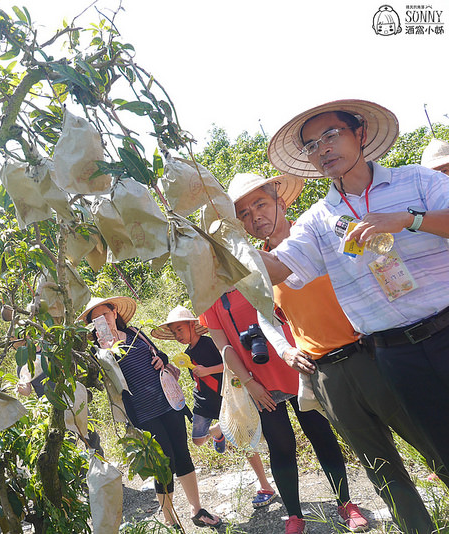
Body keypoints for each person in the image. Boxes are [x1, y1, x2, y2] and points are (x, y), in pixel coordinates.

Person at [230, 171, 438, 533]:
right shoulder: (259, 266)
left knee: (433, 441)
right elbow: (264, 316)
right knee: (379, 466)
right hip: (326, 374)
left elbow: (371, 263)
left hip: (373, 353)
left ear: (281, 201)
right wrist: (284, 349)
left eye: (260, 204)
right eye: (245, 214)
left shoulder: (320, 233)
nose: (255, 217)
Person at [262, 99, 449, 502]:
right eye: (312, 145)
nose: (323, 149)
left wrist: (410, 219)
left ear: (360, 134)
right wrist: (220, 246)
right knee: (443, 448)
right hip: (396, 355)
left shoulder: (417, 181)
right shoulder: (317, 221)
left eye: (331, 135)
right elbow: (278, 269)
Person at [203, 286, 365, 534]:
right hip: (261, 384)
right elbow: (224, 348)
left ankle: (346, 504)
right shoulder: (209, 299)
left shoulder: (259, 274)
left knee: (322, 435)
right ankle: (294, 516)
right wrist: (249, 383)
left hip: (298, 368)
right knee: (281, 447)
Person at [79, 296, 222, 529]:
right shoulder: (98, 351)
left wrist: (160, 360)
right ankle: (169, 518)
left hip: (167, 402)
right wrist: (104, 353)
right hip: (142, 414)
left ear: (114, 312)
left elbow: (159, 355)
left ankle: (197, 510)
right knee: (163, 463)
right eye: (95, 319)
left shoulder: (135, 333)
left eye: (104, 314)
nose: (102, 320)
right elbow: (104, 381)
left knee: (182, 454)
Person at [151, 305, 278, 509]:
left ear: (192, 325)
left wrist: (207, 370)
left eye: (180, 329)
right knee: (198, 440)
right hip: (203, 401)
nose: (177, 335)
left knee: (244, 442)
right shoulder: (187, 353)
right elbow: (198, 377)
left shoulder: (209, 344)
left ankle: (265, 486)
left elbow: (230, 364)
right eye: (174, 333)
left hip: (225, 397)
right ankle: (219, 431)